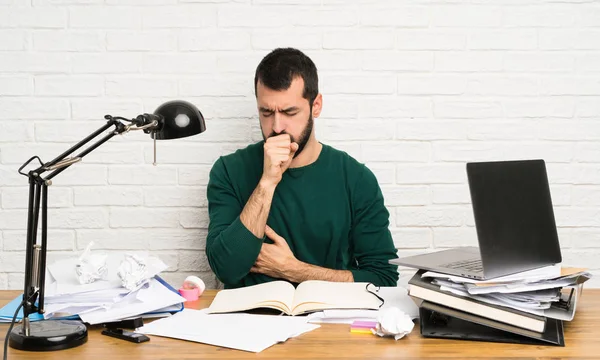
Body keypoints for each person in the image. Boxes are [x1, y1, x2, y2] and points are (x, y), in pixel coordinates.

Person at [206, 47, 398, 289]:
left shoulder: (356, 178)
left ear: (316, 105)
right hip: (250, 321)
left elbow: (383, 278)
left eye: (289, 112)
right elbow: (226, 269)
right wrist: (267, 182)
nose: (276, 127)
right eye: (266, 112)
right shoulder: (228, 170)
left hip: (330, 321)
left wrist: (294, 270)